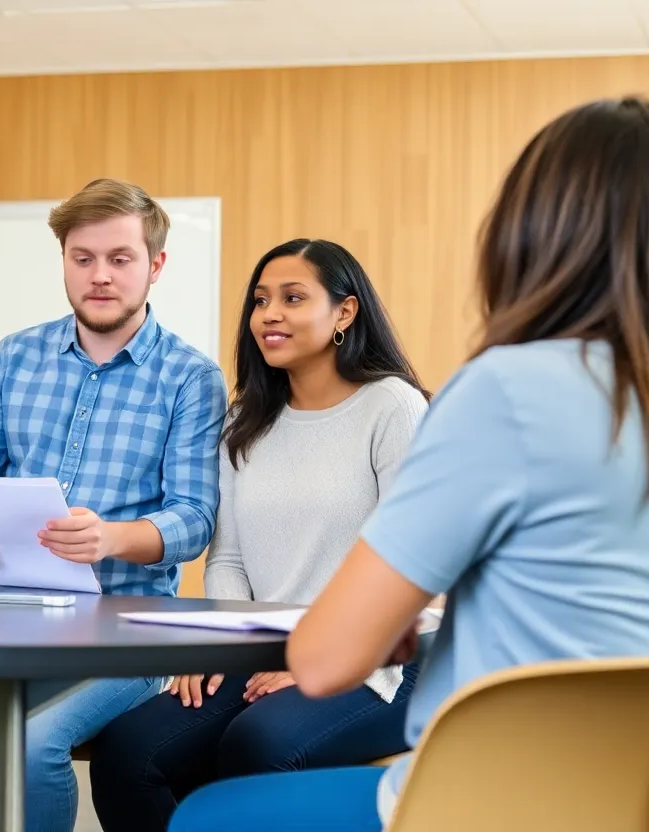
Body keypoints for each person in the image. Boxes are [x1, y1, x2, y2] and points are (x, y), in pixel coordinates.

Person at [168, 96, 649, 832]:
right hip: (625, 800)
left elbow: (331, 657)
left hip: (477, 803)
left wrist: (381, 615)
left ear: (534, 232)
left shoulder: (505, 390)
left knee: (212, 815)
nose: (269, 313)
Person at [0, 177, 230, 832]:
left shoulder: (192, 378)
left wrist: (111, 539)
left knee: (35, 747)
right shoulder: (14, 358)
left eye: (120, 259)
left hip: (129, 629)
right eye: (82, 258)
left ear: (156, 265)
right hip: (4, 612)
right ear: (63, 259)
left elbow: (194, 518)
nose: (99, 276)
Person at [89, 238, 428, 830]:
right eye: (261, 300)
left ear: (345, 312)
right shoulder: (244, 422)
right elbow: (230, 559)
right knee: (128, 752)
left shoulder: (391, 408)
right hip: (267, 648)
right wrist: (222, 651)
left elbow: (414, 561)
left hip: (383, 658)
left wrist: (325, 662)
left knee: (256, 744)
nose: (270, 314)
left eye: (293, 298)